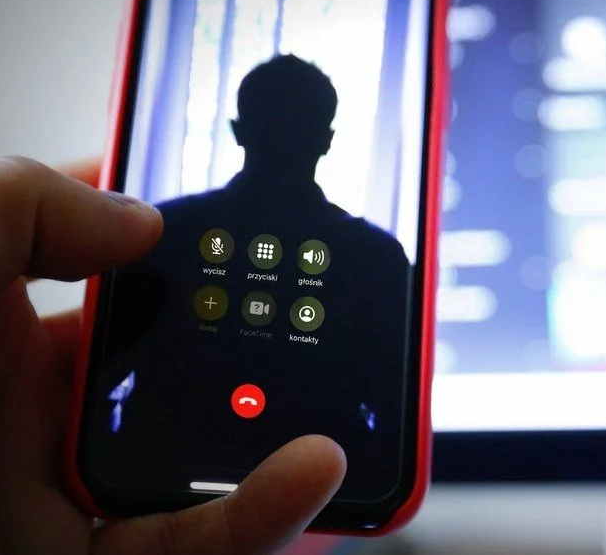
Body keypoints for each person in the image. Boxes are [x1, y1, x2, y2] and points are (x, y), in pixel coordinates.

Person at [0, 155, 346, 554]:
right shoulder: (160, 230)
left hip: (153, 457)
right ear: (327, 139)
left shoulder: (169, 227)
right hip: (159, 456)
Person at [94, 55, 414, 502]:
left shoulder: (166, 231)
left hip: (162, 470)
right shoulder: (377, 256)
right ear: (326, 140)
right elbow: (395, 414)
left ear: (238, 131)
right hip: (322, 497)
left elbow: (102, 377)